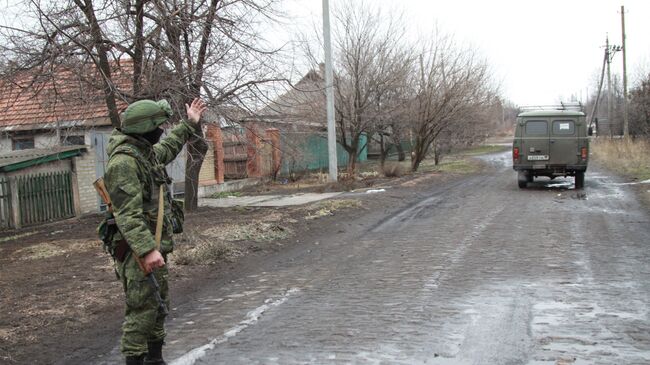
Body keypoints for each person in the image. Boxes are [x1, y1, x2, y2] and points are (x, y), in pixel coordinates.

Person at [103, 98, 206, 365]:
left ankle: (155, 359)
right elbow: (128, 214)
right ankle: (136, 360)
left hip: (153, 247)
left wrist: (190, 123)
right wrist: (147, 251)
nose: (161, 130)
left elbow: (168, 148)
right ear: (144, 128)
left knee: (158, 306)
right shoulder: (124, 163)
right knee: (141, 310)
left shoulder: (143, 153)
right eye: (158, 125)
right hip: (137, 251)